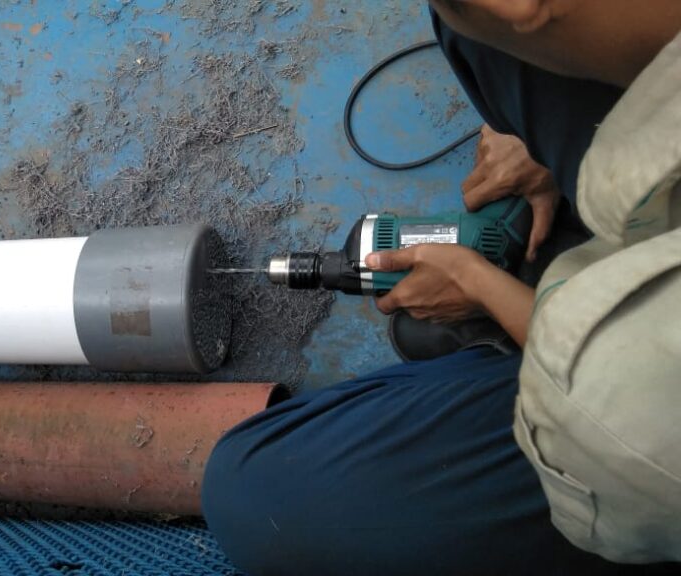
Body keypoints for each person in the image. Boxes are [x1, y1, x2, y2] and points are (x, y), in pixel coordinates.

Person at [201, 1, 681, 574]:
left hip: (642, 435)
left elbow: (613, 395)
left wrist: (482, 287)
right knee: (481, 39)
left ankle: (509, 353)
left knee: (257, 493)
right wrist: (548, 148)